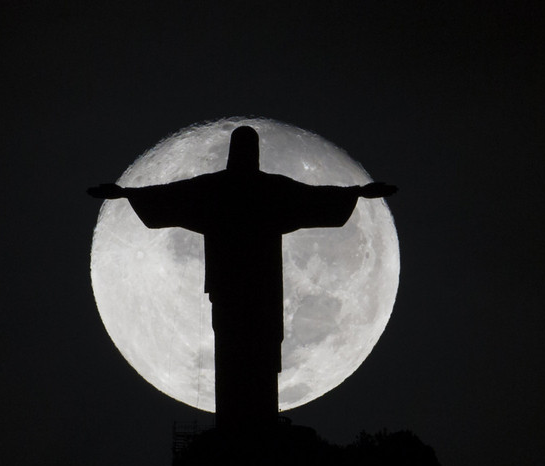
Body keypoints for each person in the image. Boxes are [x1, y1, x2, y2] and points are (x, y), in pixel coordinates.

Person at [89, 126, 396, 430]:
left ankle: (252, 425)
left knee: (255, 349)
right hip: (243, 288)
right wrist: (357, 193)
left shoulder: (227, 190)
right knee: (235, 348)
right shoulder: (256, 190)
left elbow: (311, 198)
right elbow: (312, 198)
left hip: (250, 288)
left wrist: (126, 194)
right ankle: (240, 426)